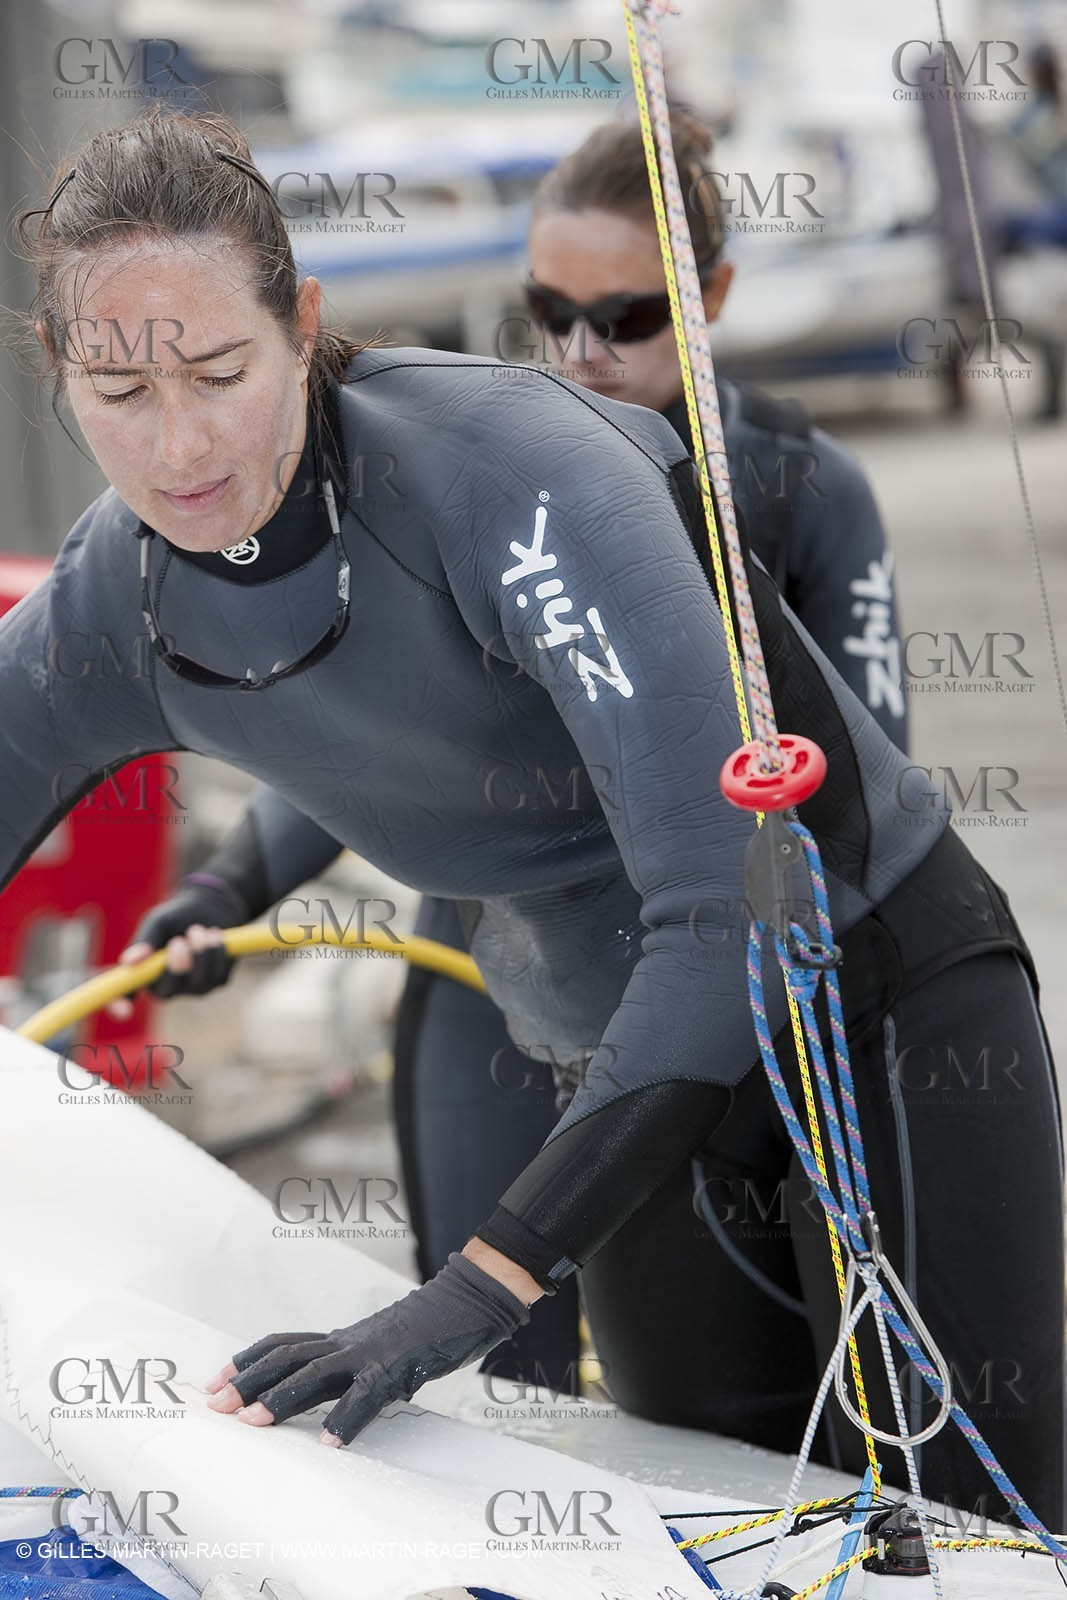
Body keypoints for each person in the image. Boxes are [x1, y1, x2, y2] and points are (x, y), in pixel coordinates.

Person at [3, 107, 1063, 1527]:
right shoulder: (105, 611)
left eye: (218, 371)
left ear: (303, 327)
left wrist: (479, 1286)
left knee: (955, 1536)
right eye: (120, 391)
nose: (179, 443)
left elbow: (730, 905)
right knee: (725, 1525)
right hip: (632, 1079)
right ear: (55, 366)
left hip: (868, 1006)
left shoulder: (512, 475)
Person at [126, 114, 912, 1404]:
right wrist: (226, 889)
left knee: (773, 1415)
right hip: (497, 970)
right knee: (490, 1384)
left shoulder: (798, 487)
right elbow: (359, 734)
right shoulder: (479, 468)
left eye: (627, 318)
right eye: (552, 313)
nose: (583, 354)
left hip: (716, 984)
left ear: (710, 297)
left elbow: (869, 799)